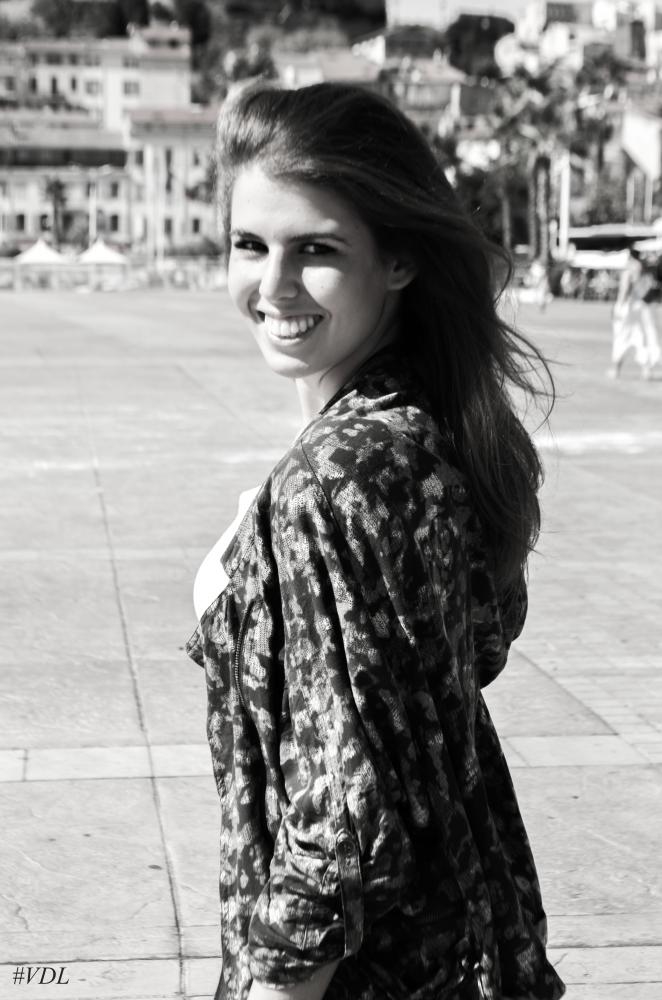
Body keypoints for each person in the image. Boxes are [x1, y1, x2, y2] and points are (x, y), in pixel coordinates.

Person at [186, 82, 566, 1000]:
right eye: (250, 245)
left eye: (315, 250)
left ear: (398, 259)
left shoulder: (339, 477)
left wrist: (274, 986)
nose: (273, 286)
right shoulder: (428, 428)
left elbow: (344, 827)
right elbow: (465, 657)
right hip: (474, 939)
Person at [609, 249, 661, 379]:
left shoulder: (629, 270)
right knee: (640, 338)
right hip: (640, 306)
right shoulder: (643, 269)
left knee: (621, 337)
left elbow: (624, 290)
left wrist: (618, 307)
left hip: (627, 307)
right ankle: (646, 370)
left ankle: (615, 370)